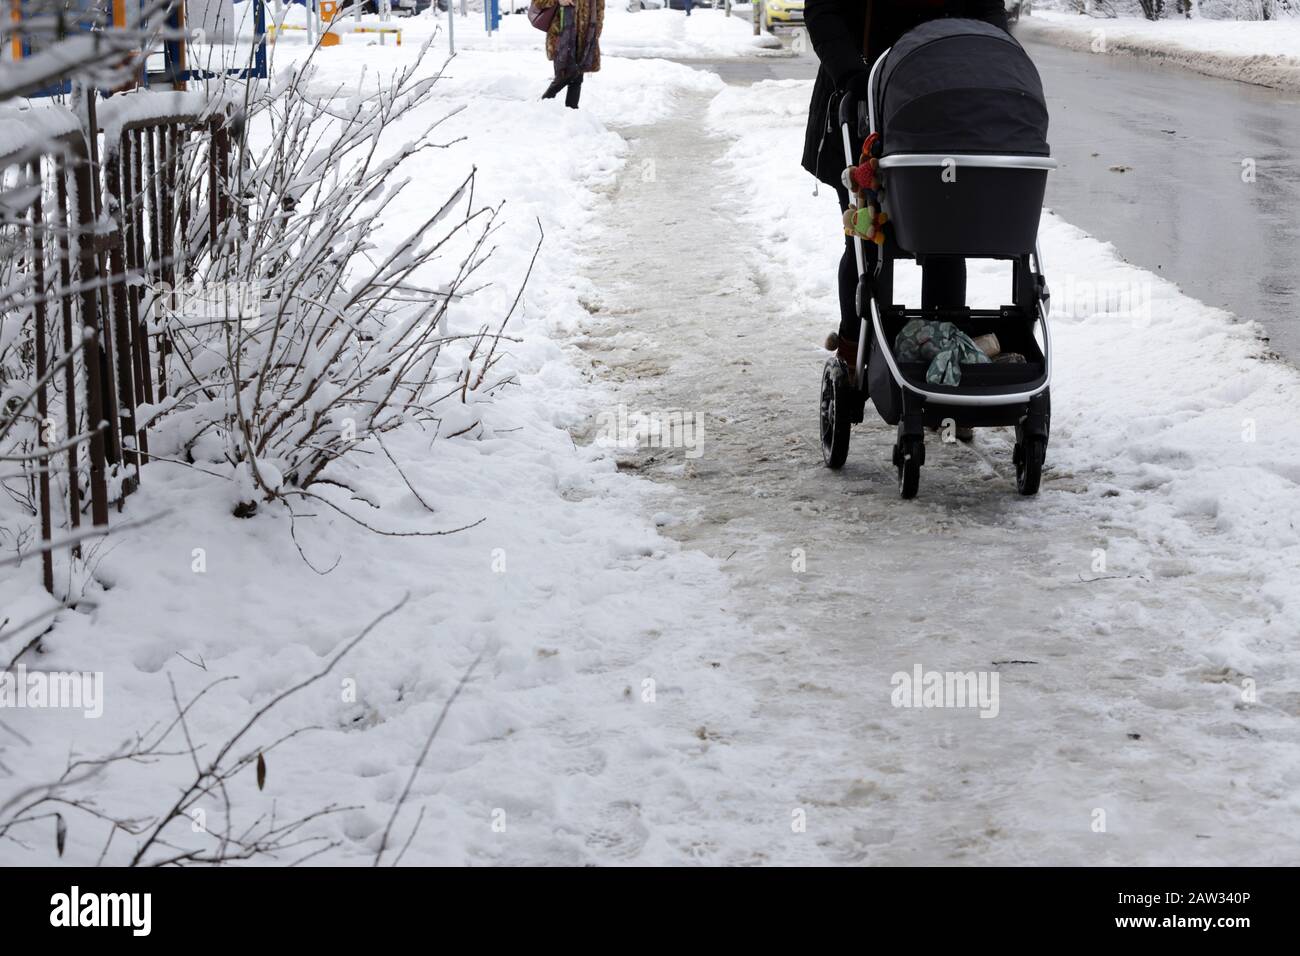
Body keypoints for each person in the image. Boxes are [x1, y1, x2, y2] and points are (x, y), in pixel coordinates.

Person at [804, 0, 1009, 380]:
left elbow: (988, 9)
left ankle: (944, 357)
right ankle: (857, 348)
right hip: (862, 102)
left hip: (946, 105)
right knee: (867, 238)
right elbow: (823, 9)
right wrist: (851, 73)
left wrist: (992, 56)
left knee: (945, 242)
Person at [536, 0, 606, 109]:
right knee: (564, 74)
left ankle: (572, 112)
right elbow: (538, 2)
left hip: (585, 34)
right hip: (562, 34)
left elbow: (599, 7)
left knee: (577, 78)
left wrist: (596, 30)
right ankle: (543, 104)